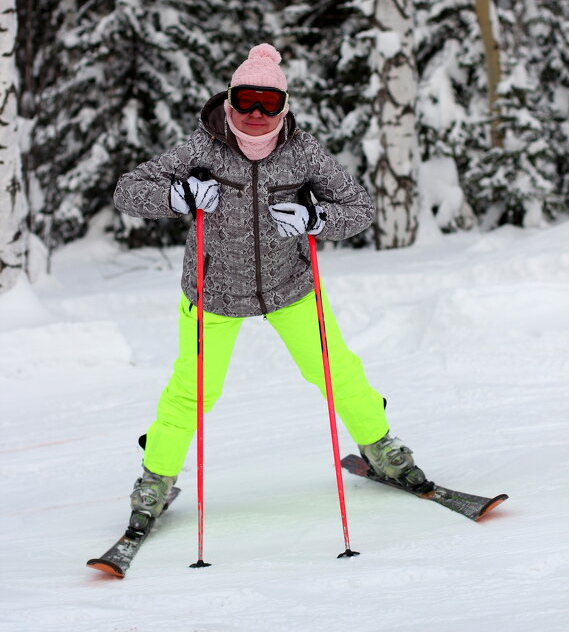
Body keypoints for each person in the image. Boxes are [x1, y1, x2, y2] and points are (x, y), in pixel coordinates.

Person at [114, 43, 427, 527]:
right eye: (245, 101)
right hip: (213, 290)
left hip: (290, 287)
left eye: (270, 102)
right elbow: (128, 191)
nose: (257, 114)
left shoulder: (303, 152)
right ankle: (155, 479)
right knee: (193, 392)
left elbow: (360, 208)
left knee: (336, 371)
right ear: (229, 101)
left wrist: (314, 217)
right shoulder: (202, 147)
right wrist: (178, 195)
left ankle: (381, 448)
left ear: (284, 106)